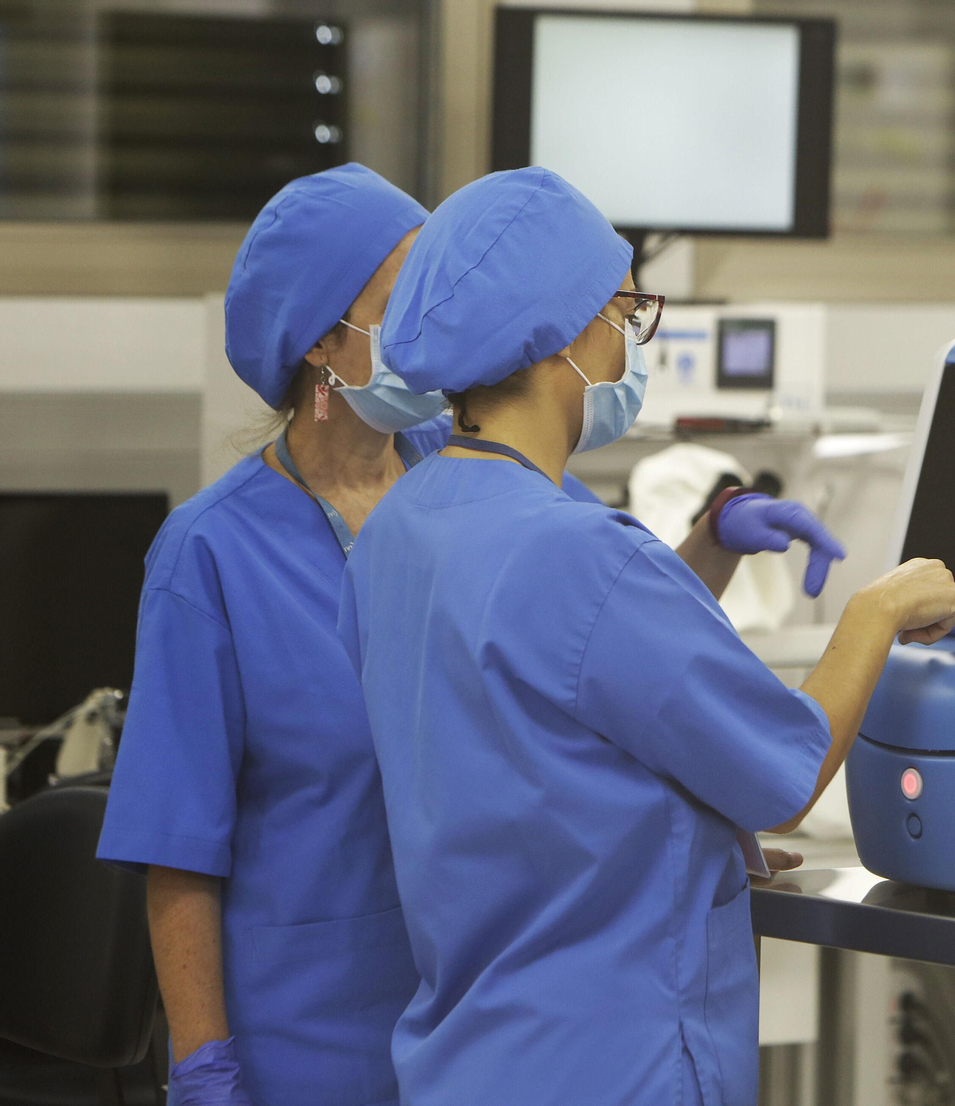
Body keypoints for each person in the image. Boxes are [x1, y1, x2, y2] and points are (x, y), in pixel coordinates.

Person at [95, 163, 840, 1106]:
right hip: (315, 1036)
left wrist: (710, 541)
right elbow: (178, 845)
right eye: (409, 294)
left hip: (473, 1022)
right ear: (324, 341)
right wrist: (204, 1069)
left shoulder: (469, 487)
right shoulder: (210, 555)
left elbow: (605, 651)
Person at [338, 166, 955, 1106]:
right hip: (610, 1063)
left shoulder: (401, 527)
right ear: (557, 339)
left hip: (470, 1056)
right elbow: (787, 773)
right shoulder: (580, 553)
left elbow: (526, 754)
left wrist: (694, 842)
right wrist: (877, 610)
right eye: (622, 309)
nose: (631, 333)